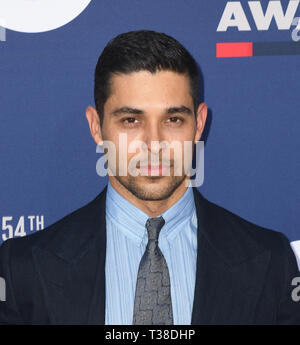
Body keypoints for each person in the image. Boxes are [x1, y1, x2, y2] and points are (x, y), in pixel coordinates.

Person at [0, 30, 299, 325]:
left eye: (173, 120)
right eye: (131, 120)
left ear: (199, 125)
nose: (154, 143)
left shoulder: (271, 261)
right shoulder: (22, 268)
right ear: (96, 127)